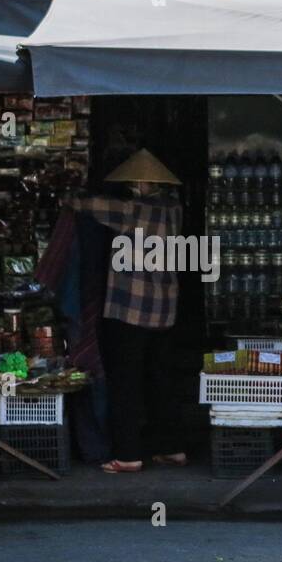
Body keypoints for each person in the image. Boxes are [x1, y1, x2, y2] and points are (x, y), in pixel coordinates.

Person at [69, 149, 187, 473]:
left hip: (131, 310)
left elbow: (90, 206)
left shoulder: (133, 210)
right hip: (165, 309)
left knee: (126, 382)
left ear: (141, 182)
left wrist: (73, 197)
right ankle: (172, 448)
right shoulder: (174, 209)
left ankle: (129, 455)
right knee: (161, 379)